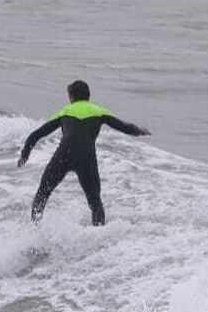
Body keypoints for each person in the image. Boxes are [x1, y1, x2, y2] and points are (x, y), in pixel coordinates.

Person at [17, 80, 150, 226]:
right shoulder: (99, 111)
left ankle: (34, 231)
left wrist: (25, 154)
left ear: (71, 97)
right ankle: (99, 235)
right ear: (88, 96)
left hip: (63, 156)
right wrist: (139, 131)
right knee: (95, 202)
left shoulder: (65, 112)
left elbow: (36, 135)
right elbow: (124, 127)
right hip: (86, 158)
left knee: (42, 194)